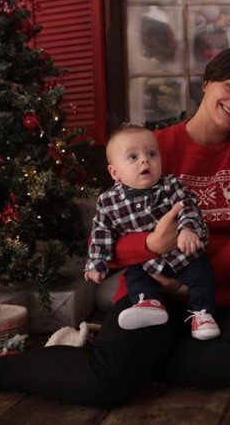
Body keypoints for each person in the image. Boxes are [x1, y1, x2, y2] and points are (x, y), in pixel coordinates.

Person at [0, 48, 230, 408]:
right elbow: (107, 236)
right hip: (151, 291)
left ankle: (130, 363)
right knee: (102, 386)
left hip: (224, 295)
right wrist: (152, 245)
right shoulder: (150, 148)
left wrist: (195, 280)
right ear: (206, 83)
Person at [85, 125, 219, 340]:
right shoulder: (108, 201)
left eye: (151, 154)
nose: (145, 161)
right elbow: (102, 232)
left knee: (201, 272)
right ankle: (148, 304)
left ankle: (202, 314)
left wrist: (187, 229)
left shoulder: (170, 185)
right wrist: (97, 262)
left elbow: (188, 206)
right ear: (114, 172)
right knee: (134, 277)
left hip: (182, 256)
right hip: (146, 264)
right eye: (133, 157)